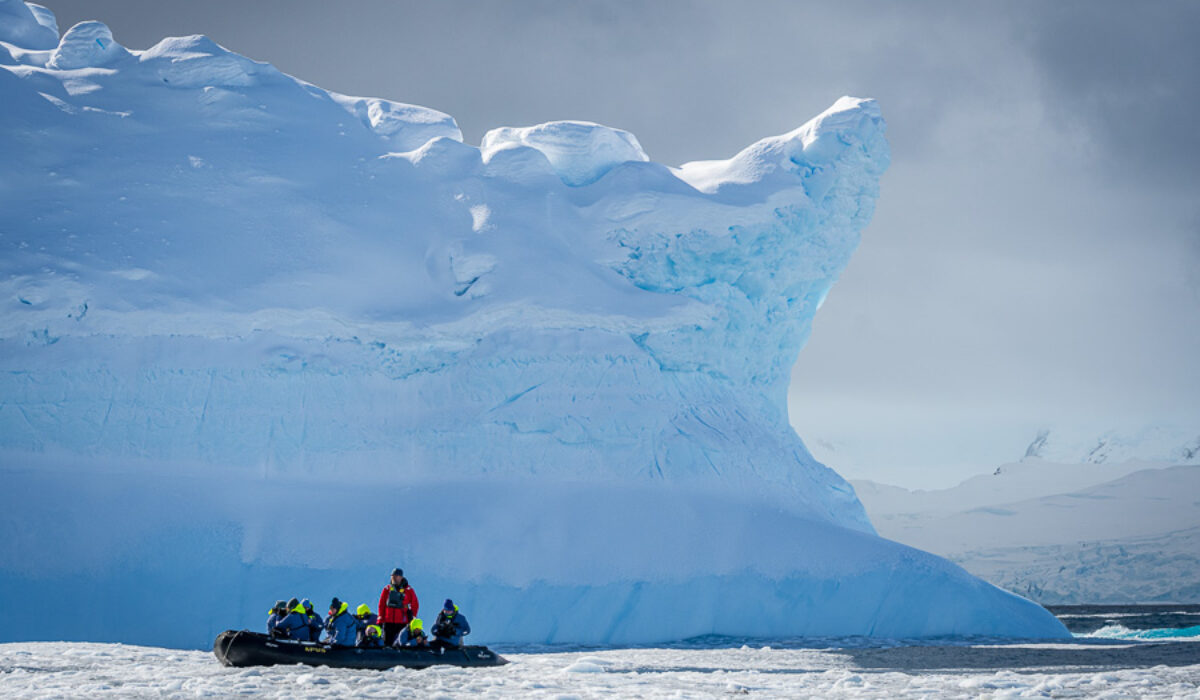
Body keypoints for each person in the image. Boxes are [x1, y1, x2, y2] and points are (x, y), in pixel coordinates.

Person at [377, 567, 419, 646]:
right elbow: (381, 605)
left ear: (401, 577)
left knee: (401, 642)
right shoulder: (387, 589)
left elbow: (415, 604)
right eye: (392, 577)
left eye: (396, 576)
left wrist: (412, 617)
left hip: (402, 622)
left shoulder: (408, 590)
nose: (394, 579)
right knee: (387, 642)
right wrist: (380, 620)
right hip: (388, 621)